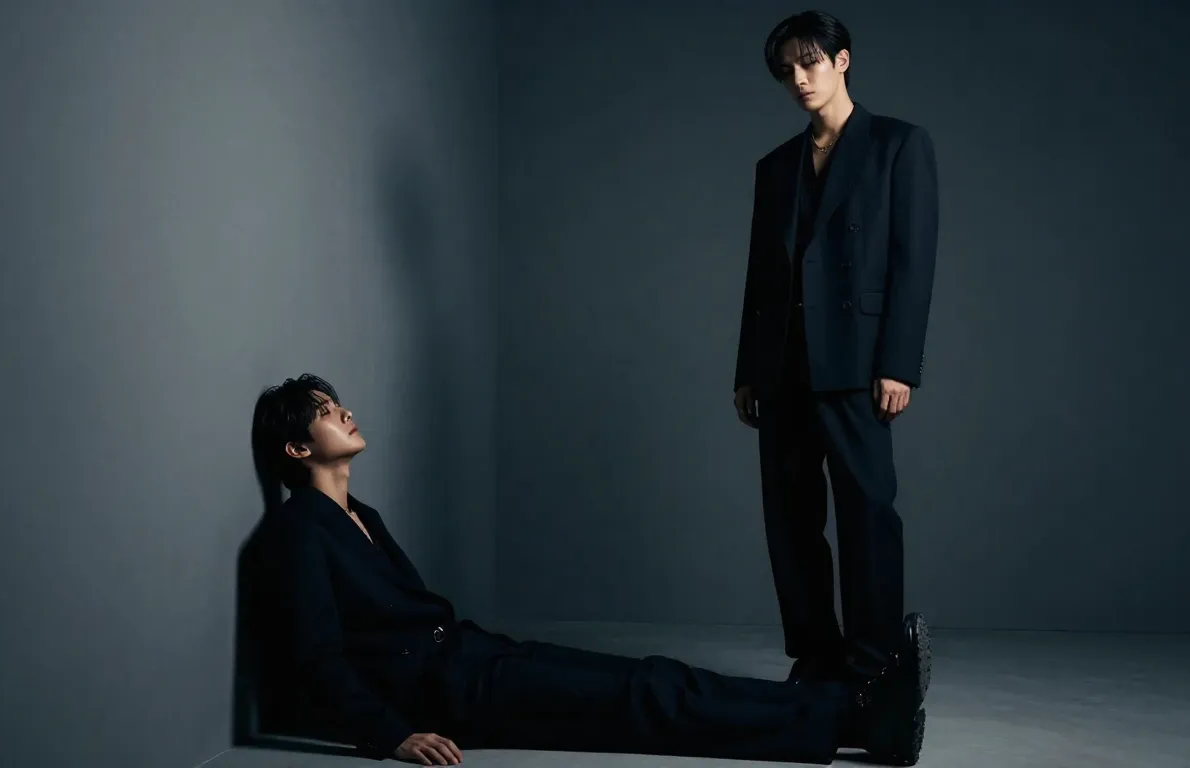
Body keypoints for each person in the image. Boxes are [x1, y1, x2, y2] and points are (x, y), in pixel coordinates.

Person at [246, 374, 932, 766]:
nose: (344, 412)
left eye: (336, 403)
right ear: (297, 448)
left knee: (656, 678)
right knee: (644, 702)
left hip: (474, 656)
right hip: (448, 693)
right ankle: (856, 720)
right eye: (325, 413)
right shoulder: (299, 531)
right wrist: (392, 736)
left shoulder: (360, 513)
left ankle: (853, 714)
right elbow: (318, 657)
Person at [732, 10, 939, 688]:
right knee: (790, 521)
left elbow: (913, 262)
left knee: (867, 515)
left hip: (857, 364)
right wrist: (748, 370)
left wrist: (898, 364)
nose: (798, 78)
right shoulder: (774, 166)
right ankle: (816, 659)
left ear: (841, 60)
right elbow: (762, 276)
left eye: (810, 62)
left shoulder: (898, 146)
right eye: (787, 70)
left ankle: (874, 665)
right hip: (782, 367)